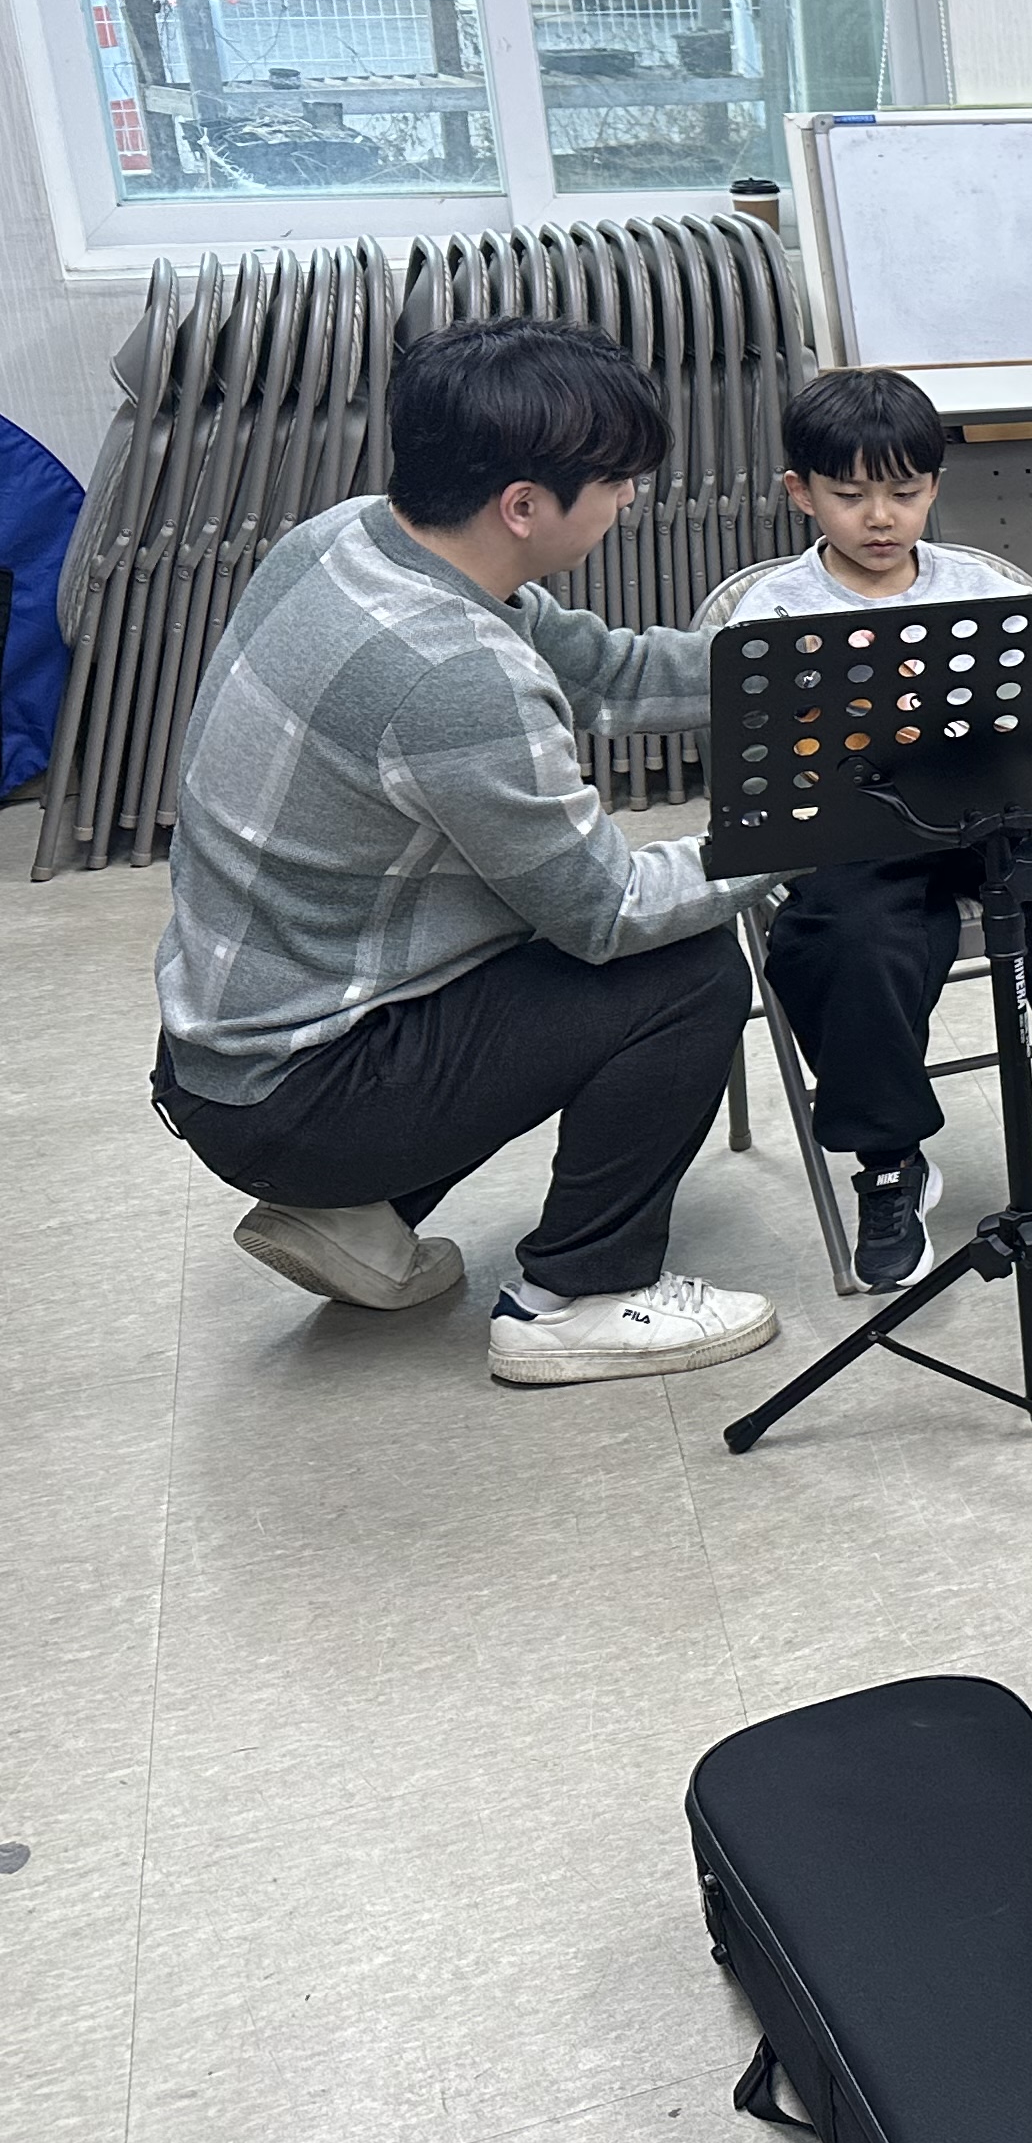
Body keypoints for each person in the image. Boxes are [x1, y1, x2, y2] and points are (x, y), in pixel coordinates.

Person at [149, 318, 781, 1388]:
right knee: (686, 970)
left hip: (235, 1051)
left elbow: (609, 675)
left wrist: (818, 670)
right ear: (524, 506)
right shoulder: (453, 676)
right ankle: (577, 1297)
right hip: (298, 1095)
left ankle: (356, 1216)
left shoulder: (351, 538)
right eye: (616, 482)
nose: (631, 499)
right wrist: (804, 829)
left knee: (546, 926)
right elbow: (610, 911)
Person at [721, 366, 1032, 1290]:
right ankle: (889, 1161)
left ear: (933, 488)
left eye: (905, 493)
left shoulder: (982, 584)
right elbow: (761, 764)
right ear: (800, 493)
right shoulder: (773, 611)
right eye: (850, 496)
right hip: (862, 834)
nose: (881, 518)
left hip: (1007, 818)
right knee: (845, 937)